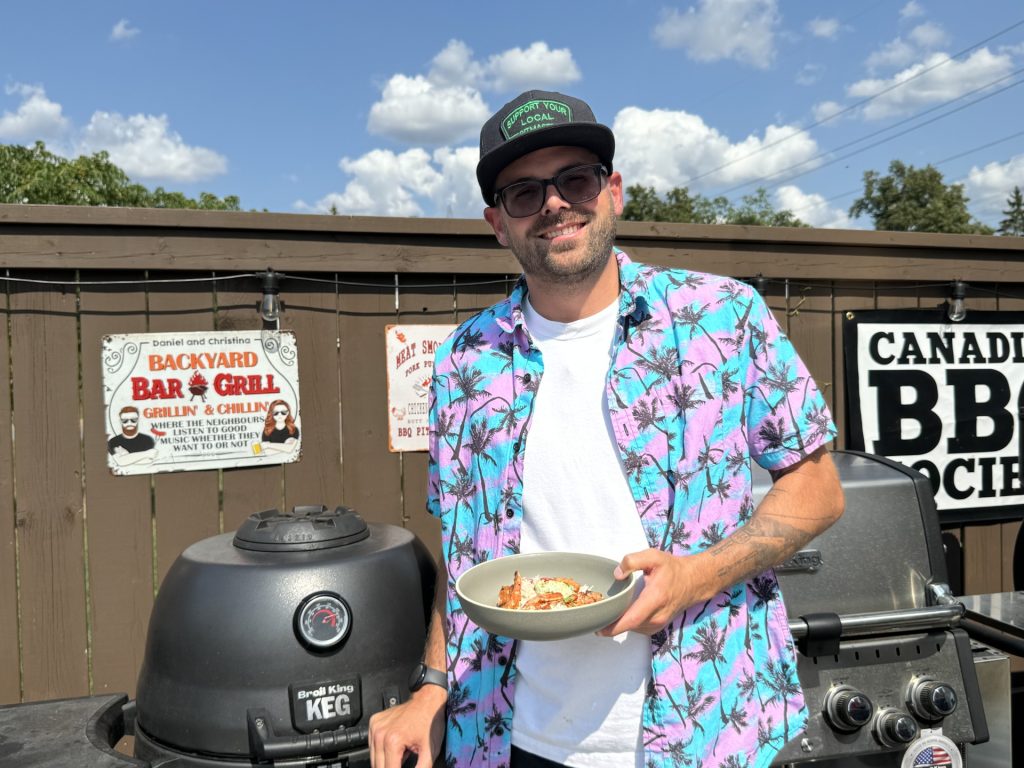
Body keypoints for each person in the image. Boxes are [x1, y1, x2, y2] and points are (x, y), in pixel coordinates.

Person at [369, 90, 844, 768]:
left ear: (612, 190)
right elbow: (465, 555)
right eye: (524, 192)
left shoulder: (722, 318)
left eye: (576, 179)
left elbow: (820, 489)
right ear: (497, 223)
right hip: (514, 739)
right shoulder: (463, 364)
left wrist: (696, 576)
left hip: (706, 729)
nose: (555, 203)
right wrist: (433, 687)